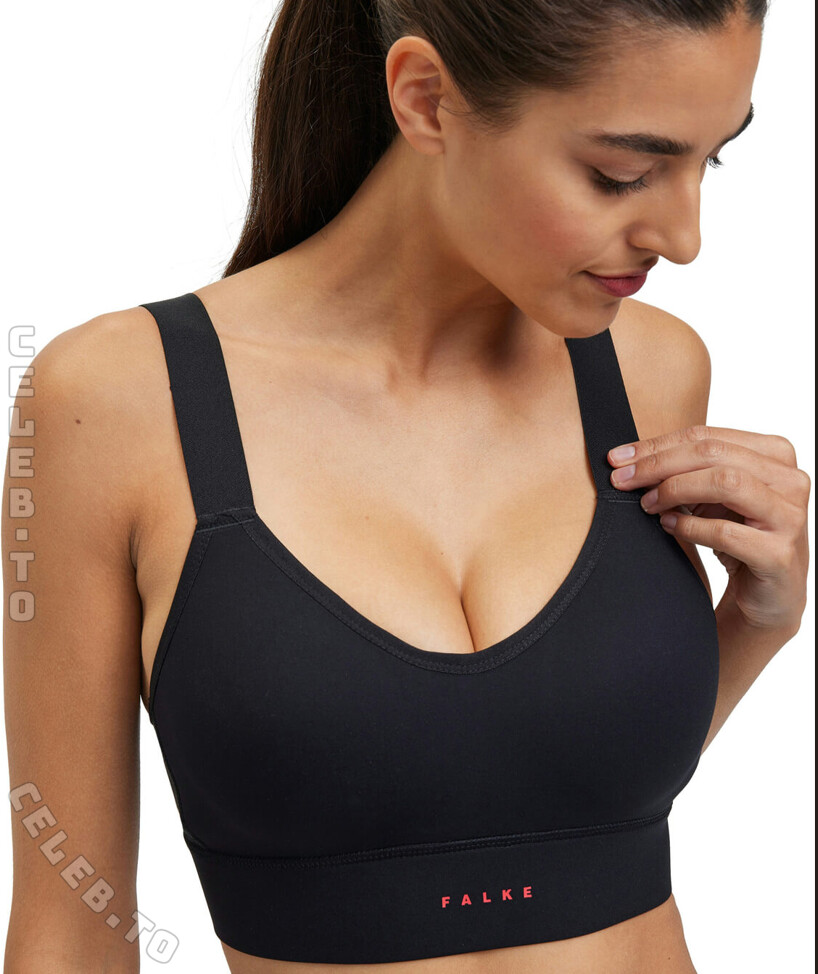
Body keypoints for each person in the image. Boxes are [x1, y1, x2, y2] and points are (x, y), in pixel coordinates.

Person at [4, 1, 811, 972]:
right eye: (622, 173)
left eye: (712, 159)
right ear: (425, 99)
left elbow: (551, 800)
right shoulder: (115, 405)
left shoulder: (651, 372)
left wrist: (755, 622)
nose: (683, 238)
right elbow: (71, 930)